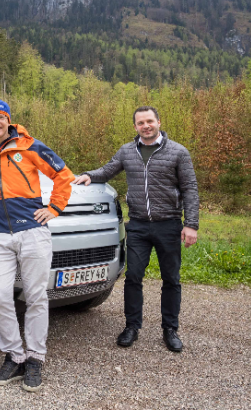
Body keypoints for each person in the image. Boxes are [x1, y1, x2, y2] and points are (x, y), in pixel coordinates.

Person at [0, 98, 73, 392]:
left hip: (32, 232)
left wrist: (54, 208)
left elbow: (64, 175)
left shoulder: (31, 146)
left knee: (36, 296)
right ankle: (14, 355)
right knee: (0, 297)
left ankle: (35, 358)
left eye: (1, 118)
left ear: (8, 120)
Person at [72, 105, 199, 353]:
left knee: (171, 279)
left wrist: (191, 224)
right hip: (139, 225)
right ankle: (132, 326)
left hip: (169, 224)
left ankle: (170, 329)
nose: (146, 126)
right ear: (135, 126)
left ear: (159, 122)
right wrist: (88, 175)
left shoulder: (178, 152)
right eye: (141, 123)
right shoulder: (127, 151)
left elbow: (190, 189)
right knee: (132, 277)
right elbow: (107, 171)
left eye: (150, 121)